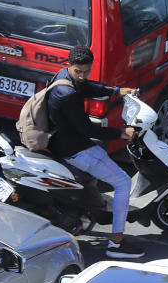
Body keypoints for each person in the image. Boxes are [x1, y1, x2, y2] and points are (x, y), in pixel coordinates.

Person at [46, 45, 143, 259]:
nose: (82, 76)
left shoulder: (63, 77)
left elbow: (87, 87)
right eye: (78, 71)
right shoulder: (68, 94)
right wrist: (121, 132)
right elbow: (87, 129)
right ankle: (117, 243)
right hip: (74, 149)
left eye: (85, 71)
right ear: (69, 65)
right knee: (123, 182)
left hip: (61, 142)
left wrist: (117, 91)